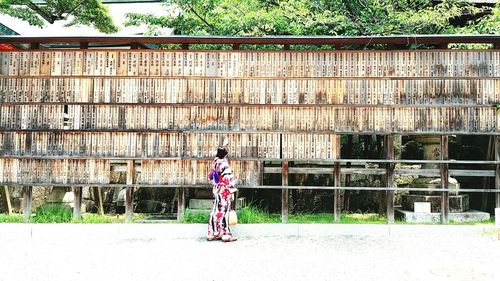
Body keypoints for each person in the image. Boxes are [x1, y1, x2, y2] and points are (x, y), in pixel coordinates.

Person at [207, 144, 238, 242]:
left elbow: (211, 176)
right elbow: (228, 179)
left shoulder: (215, 163)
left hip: (217, 189)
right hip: (224, 190)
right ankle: (225, 234)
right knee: (224, 211)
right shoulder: (224, 164)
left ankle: (213, 233)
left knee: (215, 210)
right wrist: (231, 191)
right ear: (225, 155)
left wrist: (216, 184)